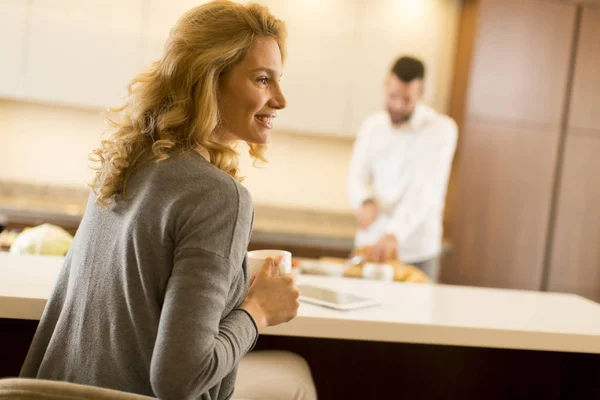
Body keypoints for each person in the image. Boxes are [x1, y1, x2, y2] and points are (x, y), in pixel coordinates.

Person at [20, 2, 316, 399]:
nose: (281, 100)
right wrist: (258, 311)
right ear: (209, 80)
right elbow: (179, 380)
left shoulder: (123, 162)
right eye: (263, 80)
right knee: (296, 379)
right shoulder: (220, 197)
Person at [347, 56, 458, 282]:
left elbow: (425, 189)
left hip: (415, 248)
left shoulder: (441, 129)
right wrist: (365, 201)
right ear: (386, 85)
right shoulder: (372, 126)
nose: (397, 105)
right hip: (369, 243)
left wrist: (394, 233)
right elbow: (356, 176)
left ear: (421, 93)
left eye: (406, 100)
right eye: (393, 96)